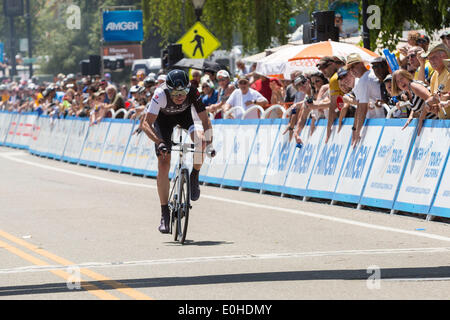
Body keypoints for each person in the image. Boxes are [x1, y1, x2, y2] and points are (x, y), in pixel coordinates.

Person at [139, 69, 214, 234]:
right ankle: (165, 212)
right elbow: (146, 124)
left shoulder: (193, 91)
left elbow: (205, 120)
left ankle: (194, 174)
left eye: (183, 92)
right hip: (163, 121)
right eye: (176, 93)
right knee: (164, 163)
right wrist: (159, 142)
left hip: (185, 117)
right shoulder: (160, 94)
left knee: (201, 141)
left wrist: (209, 143)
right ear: (168, 88)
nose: (180, 96)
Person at [346, 53, 382, 147]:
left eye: (354, 66)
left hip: (379, 120)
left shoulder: (364, 80)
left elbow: (362, 108)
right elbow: (359, 107)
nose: (352, 70)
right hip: (378, 118)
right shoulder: (367, 76)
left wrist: (357, 132)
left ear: (362, 63)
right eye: (349, 68)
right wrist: (355, 129)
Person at [391, 69, 437, 135]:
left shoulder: (413, 85)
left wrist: (421, 118)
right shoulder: (407, 91)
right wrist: (411, 116)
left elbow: (432, 100)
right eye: (397, 82)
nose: (400, 82)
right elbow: (417, 104)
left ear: (407, 77)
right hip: (432, 123)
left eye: (402, 78)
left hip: (439, 119)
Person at [421, 42, 450, 118]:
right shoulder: (434, 75)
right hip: (443, 121)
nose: (431, 61)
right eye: (429, 58)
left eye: (434, 57)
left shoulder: (448, 72)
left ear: (444, 56)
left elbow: (442, 97)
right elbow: (435, 98)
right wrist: (433, 107)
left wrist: (429, 102)